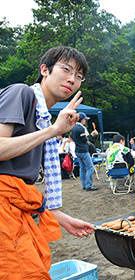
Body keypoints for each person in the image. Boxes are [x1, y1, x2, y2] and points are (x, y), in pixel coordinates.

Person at [0, 46, 94, 279]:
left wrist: (63, 219)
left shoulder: (44, 118)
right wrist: (53, 131)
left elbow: (22, 186)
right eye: (66, 69)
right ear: (44, 69)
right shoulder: (22, 94)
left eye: (79, 76)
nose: (72, 79)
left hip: (16, 211)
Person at [72, 112, 98, 191]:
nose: (85, 121)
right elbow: (84, 140)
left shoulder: (74, 127)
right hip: (83, 150)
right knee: (90, 167)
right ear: (81, 120)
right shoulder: (81, 128)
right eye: (84, 119)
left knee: (82, 168)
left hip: (77, 150)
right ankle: (88, 185)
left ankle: (84, 185)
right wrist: (92, 134)